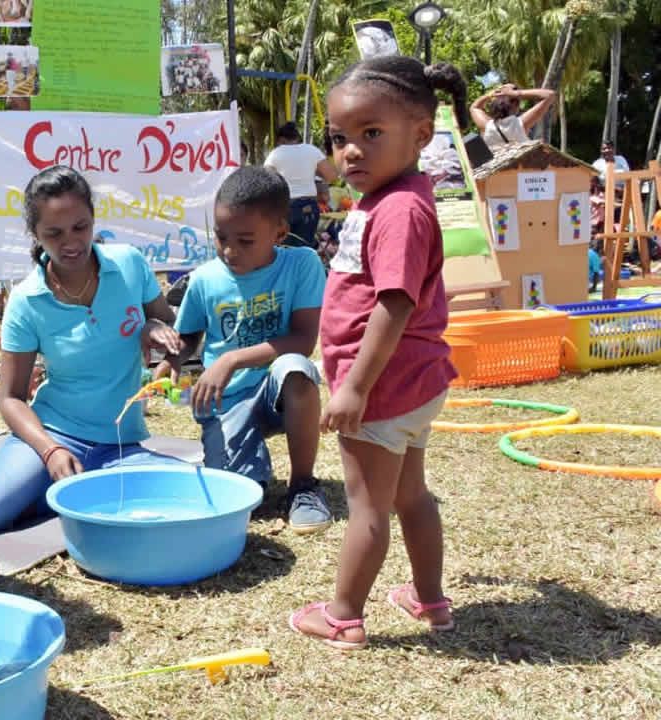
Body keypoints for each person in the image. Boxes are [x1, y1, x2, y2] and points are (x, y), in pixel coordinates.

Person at [289, 55, 465, 649]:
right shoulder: (389, 198)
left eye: (370, 134)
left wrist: (355, 387)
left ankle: (341, 615)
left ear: (420, 134)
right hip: (410, 384)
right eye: (340, 138)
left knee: (368, 505)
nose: (351, 152)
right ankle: (429, 599)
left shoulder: (400, 210)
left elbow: (395, 304)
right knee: (410, 493)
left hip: (384, 388)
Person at [0, 166, 186, 533]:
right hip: (53, 435)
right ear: (35, 234)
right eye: (54, 233)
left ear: (94, 220)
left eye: (80, 227)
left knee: (183, 493)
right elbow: (11, 398)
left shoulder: (129, 264)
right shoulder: (27, 301)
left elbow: (174, 333)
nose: (71, 242)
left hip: (121, 446)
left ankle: (55, 491)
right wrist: (49, 451)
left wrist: (158, 328)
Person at [154, 166, 331, 534]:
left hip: (276, 390)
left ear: (279, 232)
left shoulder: (302, 265)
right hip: (226, 400)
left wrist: (233, 358)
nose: (229, 250)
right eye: (221, 237)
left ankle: (303, 487)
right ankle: (251, 464)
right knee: (244, 497)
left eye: (245, 240)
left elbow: (303, 340)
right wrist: (172, 358)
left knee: (296, 369)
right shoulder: (205, 279)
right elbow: (189, 336)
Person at [264, 122, 338, 248]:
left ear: (280, 140)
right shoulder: (311, 151)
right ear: (298, 137)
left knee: (282, 249)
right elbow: (331, 176)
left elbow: (265, 182)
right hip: (308, 208)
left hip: (284, 207)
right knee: (305, 250)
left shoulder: (275, 154)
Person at [469, 83, 555, 152]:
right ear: (515, 104)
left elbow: (474, 107)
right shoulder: (520, 124)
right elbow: (549, 95)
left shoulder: (487, 126)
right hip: (520, 172)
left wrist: (490, 95)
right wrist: (516, 93)